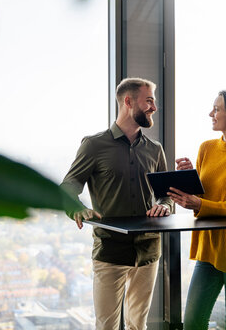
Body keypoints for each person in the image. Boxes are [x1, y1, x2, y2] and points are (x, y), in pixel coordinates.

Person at [60, 77, 173, 330]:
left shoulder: (155, 149)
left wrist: (165, 205)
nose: (154, 107)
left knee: (138, 326)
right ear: (128, 101)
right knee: (107, 327)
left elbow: (166, 195)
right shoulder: (94, 145)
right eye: (149, 101)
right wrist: (78, 209)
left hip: (149, 251)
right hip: (110, 252)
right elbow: (68, 187)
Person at [168, 89, 226, 330]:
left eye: (217, 108)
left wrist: (198, 203)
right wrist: (191, 178)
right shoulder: (206, 148)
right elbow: (205, 196)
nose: (211, 113)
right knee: (191, 322)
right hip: (208, 245)